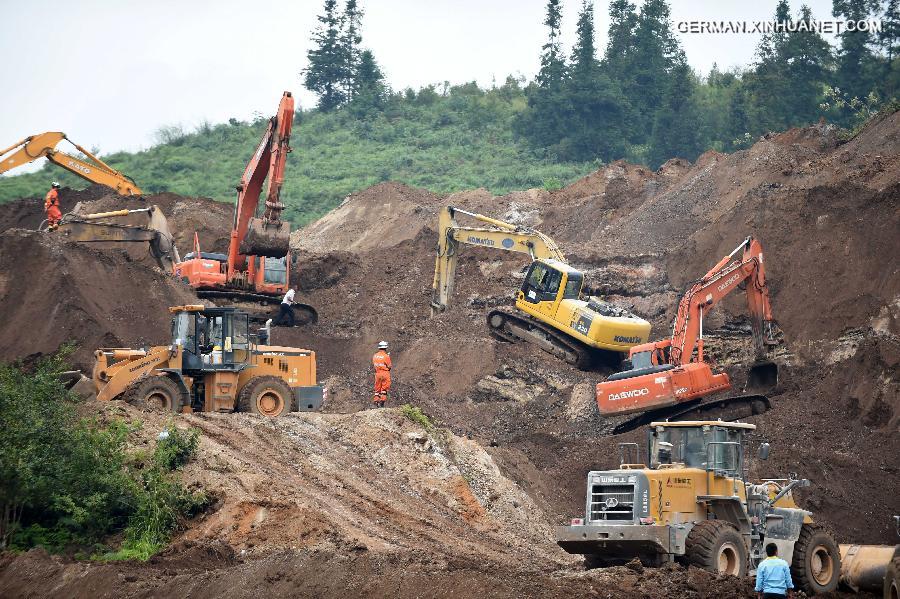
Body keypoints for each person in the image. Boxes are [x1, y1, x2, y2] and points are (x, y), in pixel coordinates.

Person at [372, 341, 392, 408]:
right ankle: (382, 403)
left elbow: (375, 365)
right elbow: (389, 366)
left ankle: (376, 402)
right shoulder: (386, 356)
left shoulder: (375, 356)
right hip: (385, 373)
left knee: (377, 389)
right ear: (385, 348)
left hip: (377, 373)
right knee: (384, 389)